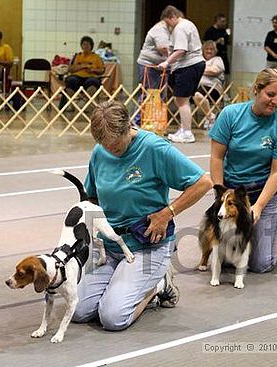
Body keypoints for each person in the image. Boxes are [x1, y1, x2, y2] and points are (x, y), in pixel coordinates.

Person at [72, 100, 212, 330]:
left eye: (116, 147)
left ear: (129, 127)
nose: (111, 151)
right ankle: (123, 281)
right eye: (105, 146)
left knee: (112, 318)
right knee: (77, 310)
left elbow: (203, 182)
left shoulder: (155, 148)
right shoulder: (100, 152)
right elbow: (92, 197)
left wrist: (167, 213)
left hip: (147, 245)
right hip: (111, 245)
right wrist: (90, 231)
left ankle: (158, 285)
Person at [209, 68, 277, 273]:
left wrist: (257, 207)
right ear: (256, 90)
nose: (275, 101)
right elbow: (216, 157)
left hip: (262, 194)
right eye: (270, 95)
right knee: (228, 261)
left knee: (261, 264)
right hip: (232, 194)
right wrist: (219, 194)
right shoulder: (230, 115)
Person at [158, 5, 206, 144]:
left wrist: (166, 62)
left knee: (182, 100)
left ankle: (187, 133)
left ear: (172, 17)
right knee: (181, 100)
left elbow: (181, 50)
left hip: (188, 65)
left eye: (168, 22)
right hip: (194, 64)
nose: (168, 26)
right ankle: (183, 128)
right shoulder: (188, 24)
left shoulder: (180, 28)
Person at [59, 36, 105, 109]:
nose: (85, 46)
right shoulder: (77, 56)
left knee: (92, 82)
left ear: (91, 46)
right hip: (77, 77)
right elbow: (70, 69)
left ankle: (87, 104)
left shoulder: (96, 57)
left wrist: (93, 70)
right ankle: (72, 104)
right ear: (81, 46)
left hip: (91, 77)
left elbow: (102, 70)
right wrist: (82, 66)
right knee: (70, 80)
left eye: (87, 44)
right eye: (84, 44)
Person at [192, 40, 225, 129]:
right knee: (180, 96)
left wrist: (198, 70)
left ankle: (210, 116)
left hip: (212, 88)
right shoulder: (200, 60)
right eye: (207, 49)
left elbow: (214, 71)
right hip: (197, 86)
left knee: (197, 95)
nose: (209, 51)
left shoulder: (217, 59)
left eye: (211, 49)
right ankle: (209, 116)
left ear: (215, 51)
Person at [137, 19, 171, 97]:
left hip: (159, 67)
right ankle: (142, 109)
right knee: (148, 96)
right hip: (150, 66)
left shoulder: (167, 31)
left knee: (158, 97)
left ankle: (157, 109)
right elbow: (163, 48)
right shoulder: (160, 30)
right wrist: (174, 59)